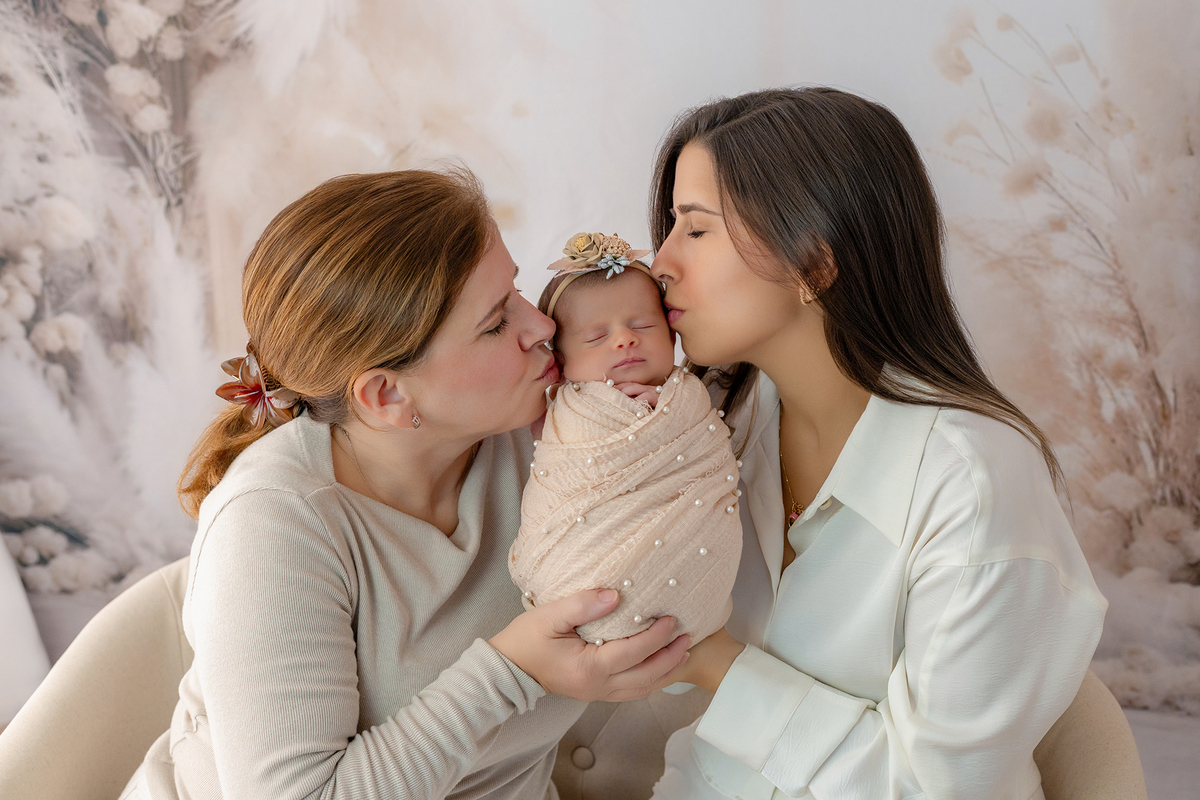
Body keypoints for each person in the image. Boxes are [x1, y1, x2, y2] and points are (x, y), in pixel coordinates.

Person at [119, 170, 691, 800]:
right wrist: (512, 671)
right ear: (387, 395)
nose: (543, 326)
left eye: (518, 291)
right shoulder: (273, 529)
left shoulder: (548, 438)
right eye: (497, 322)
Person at [644, 88, 1107, 799]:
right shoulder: (723, 420)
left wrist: (719, 666)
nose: (661, 262)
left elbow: (936, 790)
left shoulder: (974, 488)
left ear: (815, 264)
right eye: (672, 225)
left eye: (696, 230)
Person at [509, 232, 742, 646]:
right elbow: (559, 465)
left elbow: (703, 447)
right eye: (597, 338)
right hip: (580, 574)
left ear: (672, 337)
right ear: (560, 363)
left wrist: (666, 411)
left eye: (643, 325)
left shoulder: (690, 394)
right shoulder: (568, 411)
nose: (624, 340)